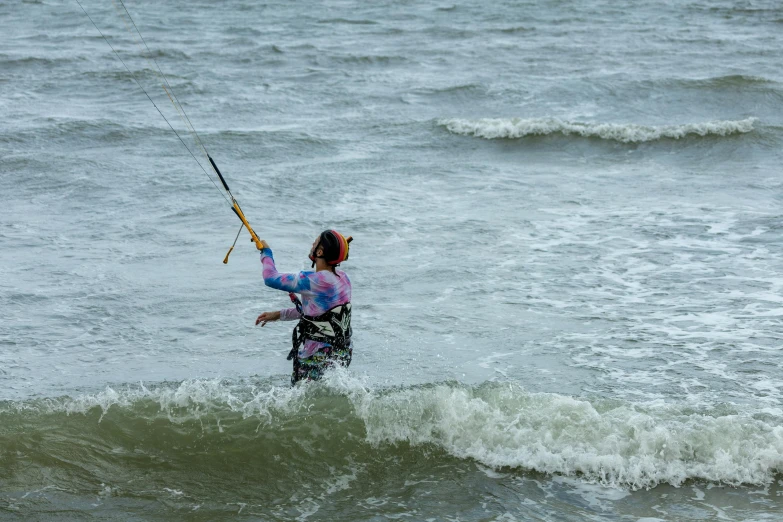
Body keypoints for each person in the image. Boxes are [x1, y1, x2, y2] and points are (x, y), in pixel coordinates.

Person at [255, 230, 353, 384]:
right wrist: (279, 314)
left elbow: (270, 278)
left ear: (320, 251)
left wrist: (265, 252)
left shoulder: (312, 280)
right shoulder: (343, 279)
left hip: (318, 353)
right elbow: (319, 314)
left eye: (315, 242)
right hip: (343, 351)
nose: (312, 244)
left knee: (305, 400)